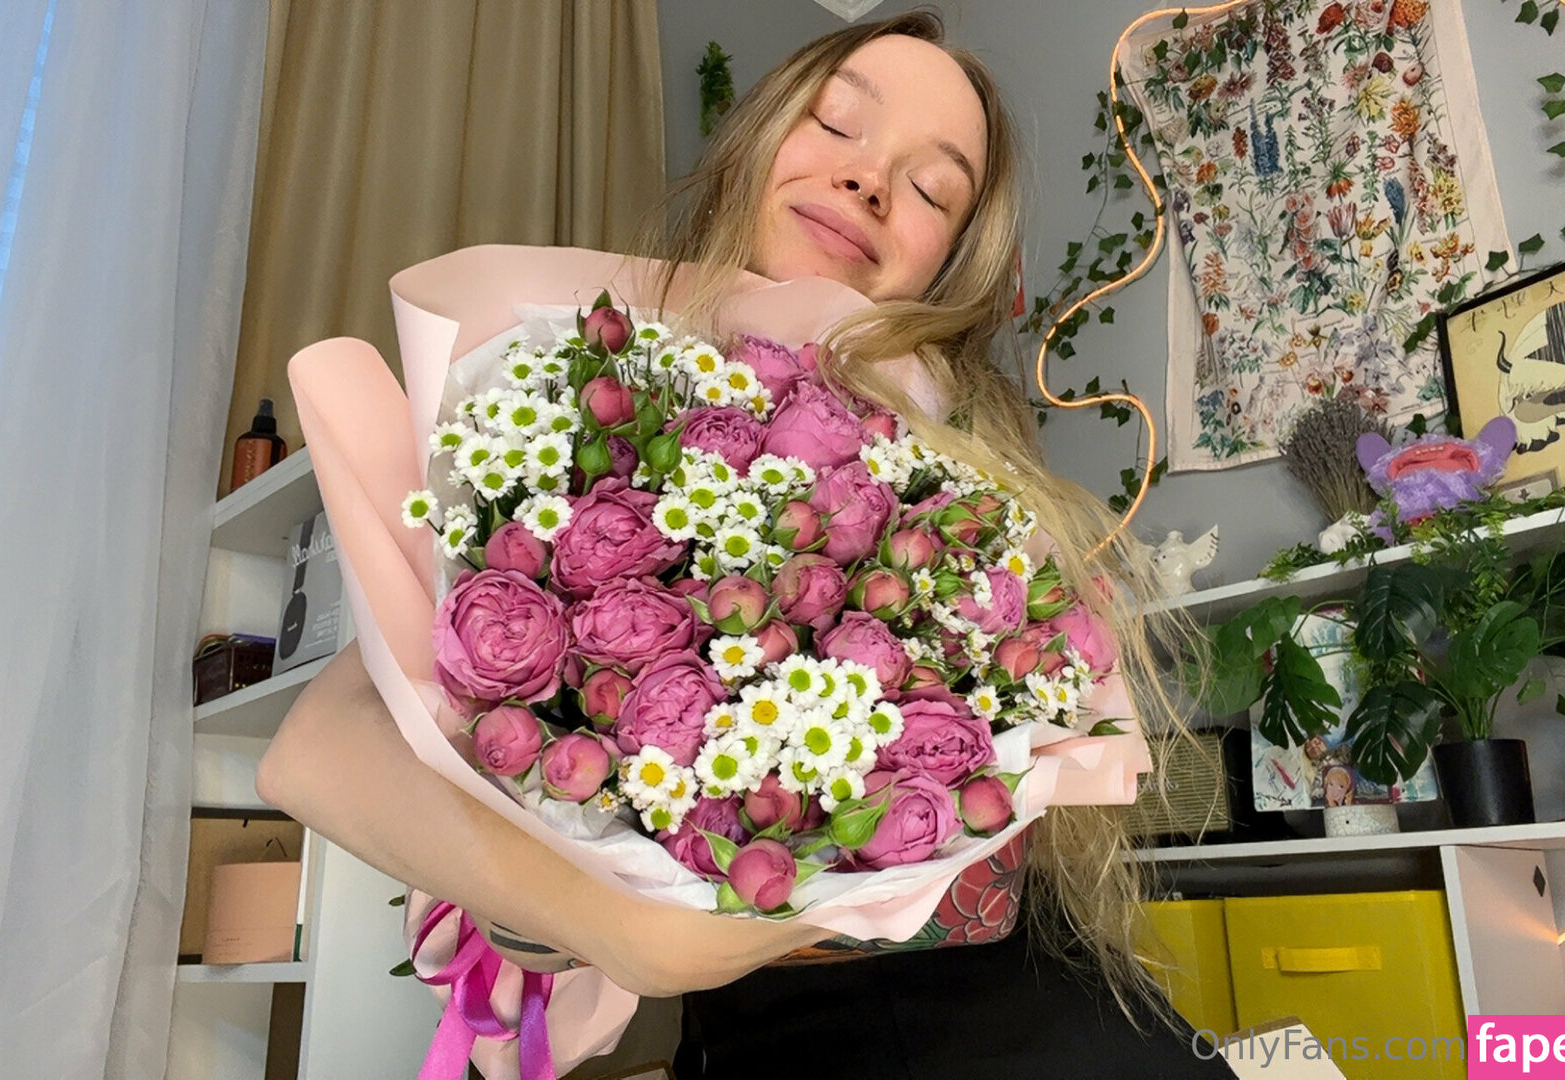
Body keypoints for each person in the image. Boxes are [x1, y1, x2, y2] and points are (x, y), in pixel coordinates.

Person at [257, 11, 1226, 1077]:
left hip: (1033, 1020)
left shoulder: (972, 483)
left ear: (949, 264)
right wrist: (600, 918)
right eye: (838, 125)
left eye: (931, 189)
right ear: (756, 142)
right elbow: (320, 747)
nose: (870, 181)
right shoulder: (585, 410)